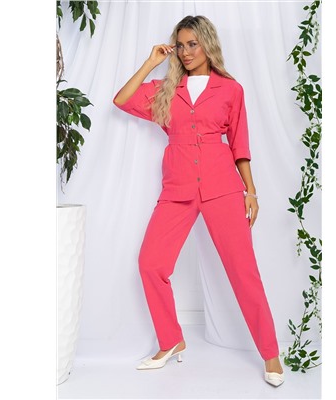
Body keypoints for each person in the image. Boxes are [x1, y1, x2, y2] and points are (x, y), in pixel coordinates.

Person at [113, 15, 284, 387]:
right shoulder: (165, 89)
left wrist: (251, 191)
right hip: (177, 188)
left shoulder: (231, 90)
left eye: (193, 44)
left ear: (207, 43)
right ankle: (171, 340)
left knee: (243, 272)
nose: (186, 51)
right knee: (150, 263)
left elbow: (240, 144)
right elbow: (121, 100)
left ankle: (271, 353)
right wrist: (151, 62)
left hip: (223, 187)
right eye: (180, 45)